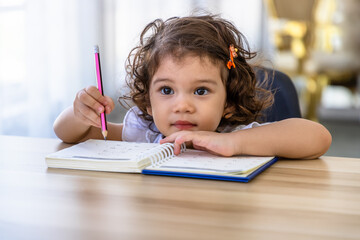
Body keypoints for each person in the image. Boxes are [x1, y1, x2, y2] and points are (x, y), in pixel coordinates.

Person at [53, 14, 332, 159]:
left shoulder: (232, 133)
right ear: (148, 101)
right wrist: (79, 114)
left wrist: (231, 143)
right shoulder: (145, 132)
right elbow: (70, 134)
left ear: (229, 101)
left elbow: (318, 138)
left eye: (200, 91)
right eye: (166, 90)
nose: (182, 105)